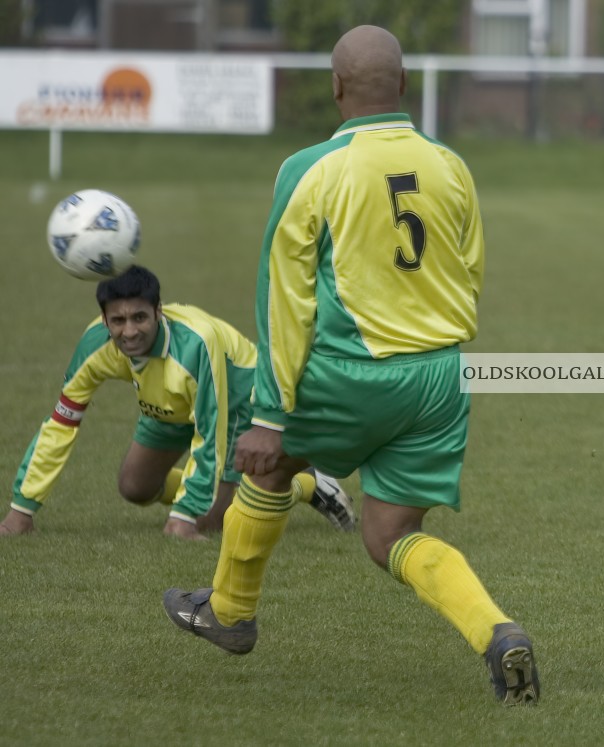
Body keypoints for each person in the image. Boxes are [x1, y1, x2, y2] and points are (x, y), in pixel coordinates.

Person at [161, 25, 540, 706]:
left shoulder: (311, 167)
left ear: (336, 88)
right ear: (402, 85)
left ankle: (230, 610)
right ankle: (498, 632)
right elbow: (472, 269)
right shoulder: (450, 164)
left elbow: (285, 300)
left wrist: (272, 416)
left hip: (351, 371)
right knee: (394, 533)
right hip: (440, 377)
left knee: (270, 464)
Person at [1, 266, 356, 541]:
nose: (128, 332)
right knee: (134, 487)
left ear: (159, 311)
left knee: (214, 521)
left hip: (235, 397)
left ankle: (306, 483)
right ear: (105, 319)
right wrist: (22, 510)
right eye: (118, 321)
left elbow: (209, 429)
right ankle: (234, 490)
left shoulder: (196, 345)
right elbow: (60, 426)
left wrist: (183, 516)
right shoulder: (95, 344)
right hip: (168, 400)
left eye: (139, 317)